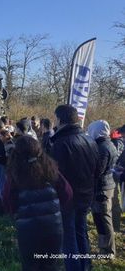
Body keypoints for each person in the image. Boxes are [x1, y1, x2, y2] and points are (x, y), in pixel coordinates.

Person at [3, 136, 73, 271]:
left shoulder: (15, 175)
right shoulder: (51, 170)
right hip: (53, 227)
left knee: (31, 266)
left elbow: (7, 201)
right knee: (51, 265)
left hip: (27, 230)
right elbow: (67, 193)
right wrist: (57, 208)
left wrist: (16, 214)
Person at [49, 105, 99, 271]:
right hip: (86, 195)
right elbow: (97, 170)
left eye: (55, 118)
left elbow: (56, 176)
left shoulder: (60, 143)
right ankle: (86, 265)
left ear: (60, 119)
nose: (54, 121)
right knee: (81, 231)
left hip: (69, 197)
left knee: (69, 237)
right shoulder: (90, 140)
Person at [87, 120, 117, 256]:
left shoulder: (103, 147)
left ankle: (108, 250)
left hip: (103, 187)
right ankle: (103, 247)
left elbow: (98, 170)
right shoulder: (106, 144)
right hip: (105, 185)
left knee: (104, 218)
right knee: (99, 217)